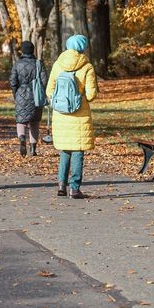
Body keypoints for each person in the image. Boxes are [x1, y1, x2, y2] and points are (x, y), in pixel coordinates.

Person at [46, 34, 98, 199]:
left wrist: (60, 100)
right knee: (78, 150)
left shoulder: (57, 64)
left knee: (65, 150)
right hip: (79, 114)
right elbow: (91, 95)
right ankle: (74, 188)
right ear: (83, 47)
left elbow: (49, 90)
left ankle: (61, 184)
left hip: (61, 114)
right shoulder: (87, 66)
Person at [9, 41, 49, 157]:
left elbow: (12, 81)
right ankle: (33, 149)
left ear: (22, 51)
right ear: (33, 50)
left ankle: (22, 138)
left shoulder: (17, 64)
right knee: (34, 122)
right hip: (36, 95)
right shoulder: (38, 63)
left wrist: (16, 93)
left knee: (21, 120)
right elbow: (44, 80)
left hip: (21, 93)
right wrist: (41, 91)